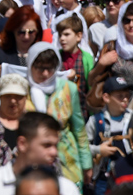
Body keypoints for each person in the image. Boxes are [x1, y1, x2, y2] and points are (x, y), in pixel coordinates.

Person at [24, 42, 91, 186]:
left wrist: (86, 164)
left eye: (50, 68)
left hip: (67, 163)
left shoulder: (68, 88)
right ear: (30, 66)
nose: (46, 74)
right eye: (40, 68)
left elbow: (79, 128)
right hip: (31, 164)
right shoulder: (23, 91)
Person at [0, 112, 81, 195]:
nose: (54, 152)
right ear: (22, 144)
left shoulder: (66, 189)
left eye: (55, 145)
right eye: (46, 145)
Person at [86, 76, 133, 195]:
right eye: (120, 96)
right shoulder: (95, 121)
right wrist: (99, 149)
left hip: (129, 174)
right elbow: (82, 147)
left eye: (127, 95)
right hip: (104, 178)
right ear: (106, 97)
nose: (125, 100)